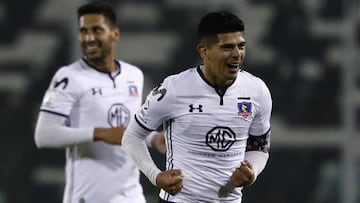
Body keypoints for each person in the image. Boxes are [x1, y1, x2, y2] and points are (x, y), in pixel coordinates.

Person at [122, 11, 272, 203]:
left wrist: (252, 170)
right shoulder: (174, 89)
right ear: (204, 51)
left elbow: (259, 146)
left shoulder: (257, 90)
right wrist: (156, 176)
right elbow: (132, 136)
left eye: (241, 46)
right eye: (227, 47)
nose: (237, 54)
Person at [34, 2, 164, 203]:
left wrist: (153, 138)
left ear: (115, 34)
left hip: (130, 195)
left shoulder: (133, 76)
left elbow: (127, 128)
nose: (88, 38)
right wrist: (99, 133)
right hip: (89, 196)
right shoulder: (69, 77)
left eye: (97, 30)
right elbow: (44, 135)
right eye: (83, 31)